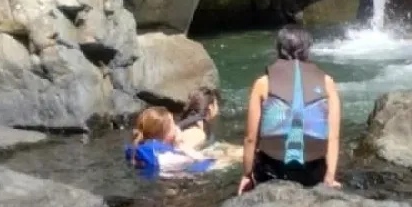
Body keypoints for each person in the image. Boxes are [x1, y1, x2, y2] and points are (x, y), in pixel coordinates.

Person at [238, 26, 342, 194]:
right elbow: (333, 136)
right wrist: (329, 177)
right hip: (313, 173)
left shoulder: (263, 83)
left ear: (279, 49)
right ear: (308, 49)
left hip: (272, 172)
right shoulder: (327, 83)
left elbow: (251, 138)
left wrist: (247, 175)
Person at [126, 106, 216, 178]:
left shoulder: (135, 147)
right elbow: (207, 162)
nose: (176, 127)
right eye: (173, 124)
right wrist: (182, 145)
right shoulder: (171, 157)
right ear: (166, 135)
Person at [176, 86, 221, 152]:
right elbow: (182, 151)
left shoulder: (194, 123)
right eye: (216, 104)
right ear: (210, 107)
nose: (218, 107)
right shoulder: (197, 133)